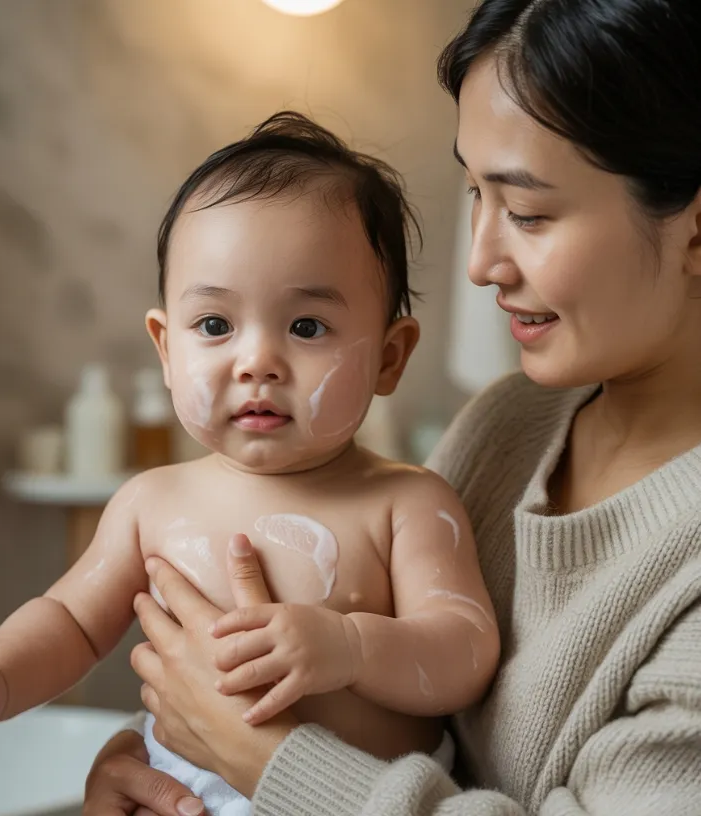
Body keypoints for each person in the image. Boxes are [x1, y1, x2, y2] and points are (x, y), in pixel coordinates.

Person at [82, 0, 701, 814]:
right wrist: (165, 754)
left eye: (526, 212)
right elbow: (339, 687)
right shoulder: (509, 422)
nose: (479, 262)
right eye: (474, 193)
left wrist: (264, 762)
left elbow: (322, 710)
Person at [0, 113, 501, 816]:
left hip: (342, 798)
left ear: (388, 356)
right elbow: (70, 620)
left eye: (306, 326)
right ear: (167, 350)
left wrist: (350, 645)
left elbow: (465, 653)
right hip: (182, 796)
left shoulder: (407, 504)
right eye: (216, 325)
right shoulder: (151, 503)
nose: (256, 361)